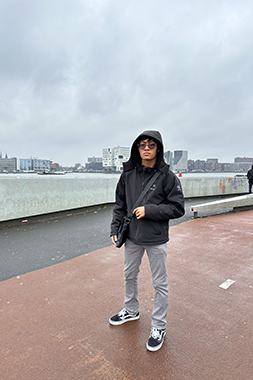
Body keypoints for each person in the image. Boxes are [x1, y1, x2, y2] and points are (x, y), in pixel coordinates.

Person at [109, 130, 185, 352]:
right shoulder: (127, 175)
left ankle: (159, 326)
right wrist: (115, 228)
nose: (146, 148)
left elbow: (178, 207)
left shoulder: (167, 177)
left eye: (151, 145)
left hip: (156, 238)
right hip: (132, 236)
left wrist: (149, 210)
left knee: (160, 283)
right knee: (129, 275)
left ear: (158, 148)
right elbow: (119, 205)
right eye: (142, 145)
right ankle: (131, 310)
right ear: (137, 148)